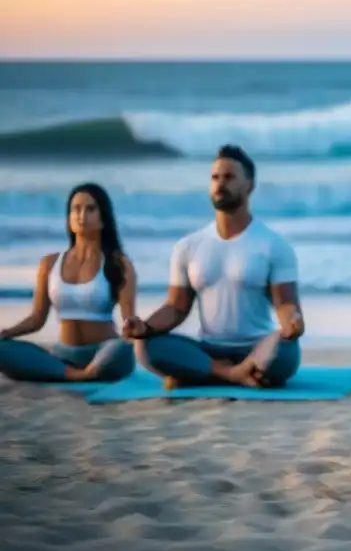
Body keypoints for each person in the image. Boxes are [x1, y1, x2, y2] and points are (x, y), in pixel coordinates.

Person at [122, 145, 303, 389]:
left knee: (284, 349)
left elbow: (285, 303)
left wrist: (292, 321)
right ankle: (234, 374)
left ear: (249, 185)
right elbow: (176, 307)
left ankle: (203, 373)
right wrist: (145, 326)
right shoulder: (188, 246)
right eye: (215, 177)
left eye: (229, 177)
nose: (220, 183)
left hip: (258, 348)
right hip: (208, 350)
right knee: (145, 346)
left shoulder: (273, 245)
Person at [0, 183, 136, 383]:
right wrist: (8, 332)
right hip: (63, 355)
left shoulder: (119, 263)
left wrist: (136, 332)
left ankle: (78, 372)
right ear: (69, 217)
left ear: (103, 218)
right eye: (76, 209)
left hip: (104, 352)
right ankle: (79, 374)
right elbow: (37, 318)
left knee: (122, 348)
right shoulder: (50, 263)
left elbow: (128, 322)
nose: (82, 216)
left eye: (90, 209)